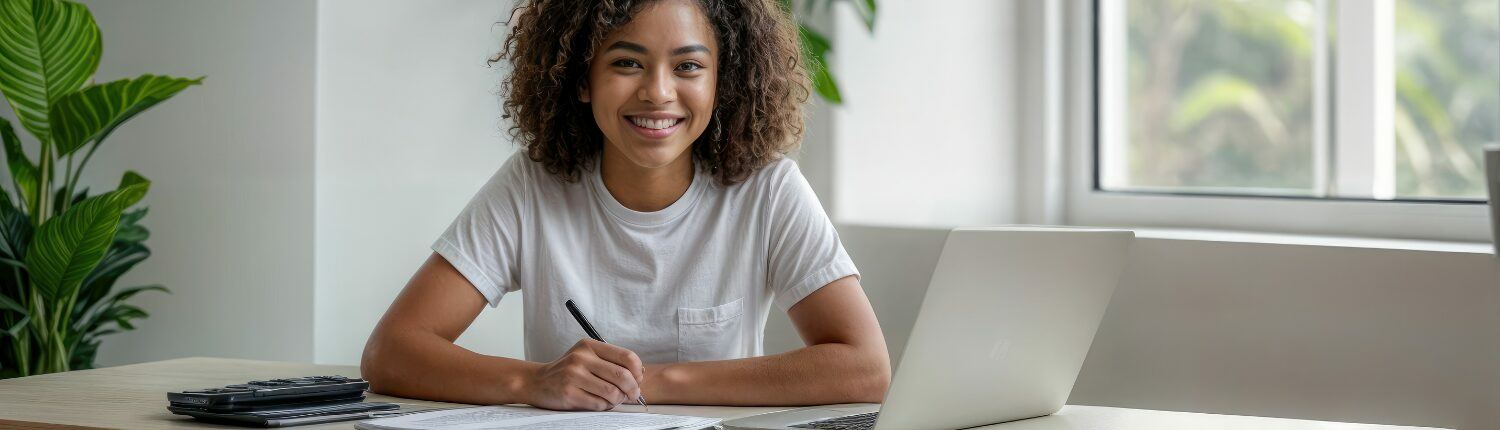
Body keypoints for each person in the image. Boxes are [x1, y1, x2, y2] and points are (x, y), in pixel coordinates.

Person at [360, 0, 890, 411]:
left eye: (687, 66)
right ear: (582, 81)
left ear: (719, 83)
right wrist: (532, 380)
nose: (658, 92)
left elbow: (865, 368)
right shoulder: (532, 186)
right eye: (627, 62)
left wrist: (655, 382)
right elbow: (392, 352)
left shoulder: (768, 191)